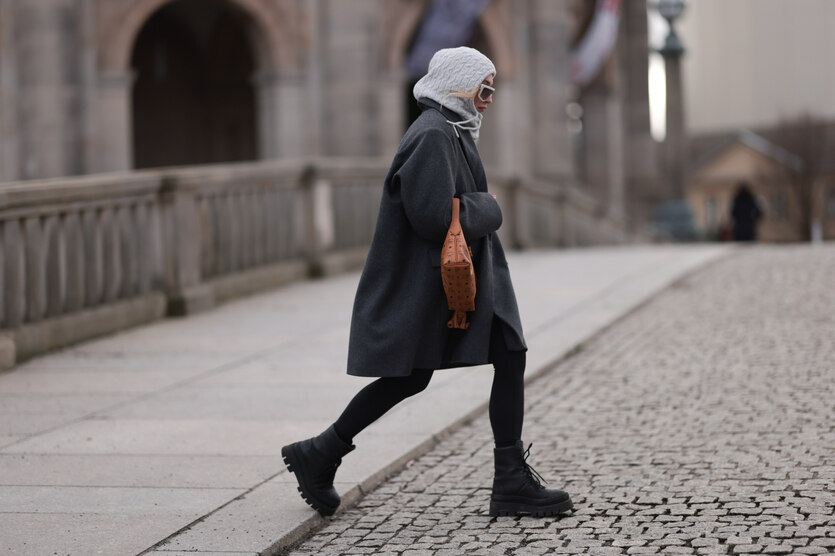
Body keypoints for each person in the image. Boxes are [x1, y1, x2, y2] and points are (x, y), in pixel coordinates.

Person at [281, 47, 572, 518]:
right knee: (414, 375)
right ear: (460, 85)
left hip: (445, 282)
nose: (489, 99)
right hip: (427, 285)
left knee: (499, 355)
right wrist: (489, 207)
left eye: (492, 89)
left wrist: (476, 207)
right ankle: (320, 452)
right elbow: (433, 217)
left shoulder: (450, 129)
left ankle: (508, 480)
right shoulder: (434, 133)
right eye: (484, 89)